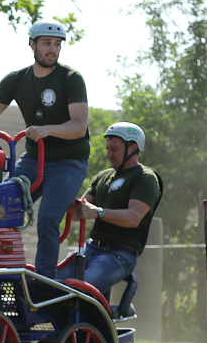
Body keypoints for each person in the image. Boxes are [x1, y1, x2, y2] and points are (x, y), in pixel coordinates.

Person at [0, 19, 89, 278]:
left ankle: (43, 282)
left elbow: (79, 126)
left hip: (68, 163)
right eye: (46, 43)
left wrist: (47, 129)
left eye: (57, 44)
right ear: (32, 44)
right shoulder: (16, 80)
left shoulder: (71, 79)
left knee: (48, 218)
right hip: (34, 160)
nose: (52, 49)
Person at [56, 122, 163, 294]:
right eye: (107, 149)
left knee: (80, 292)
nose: (109, 155)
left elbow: (134, 218)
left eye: (114, 149)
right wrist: (66, 199)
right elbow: (78, 213)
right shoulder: (103, 176)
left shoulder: (145, 178)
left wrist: (99, 212)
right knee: (51, 283)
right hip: (91, 248)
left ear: (133, 148)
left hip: (120, 255)